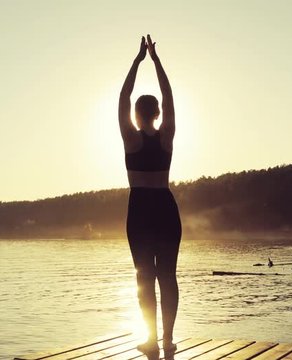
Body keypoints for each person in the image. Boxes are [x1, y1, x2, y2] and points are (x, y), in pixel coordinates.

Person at [119, 34, 182, 360]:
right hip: (165, 207)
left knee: (145, 275)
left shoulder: (130, 138)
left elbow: (122, 97)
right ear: (157, 113)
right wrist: (156, 61)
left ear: (137, 114)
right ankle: (167, 341)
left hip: (141, 208)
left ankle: (152, 340)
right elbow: (169, 96)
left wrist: (137, 61)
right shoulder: (167, 137)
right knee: (167, 275)